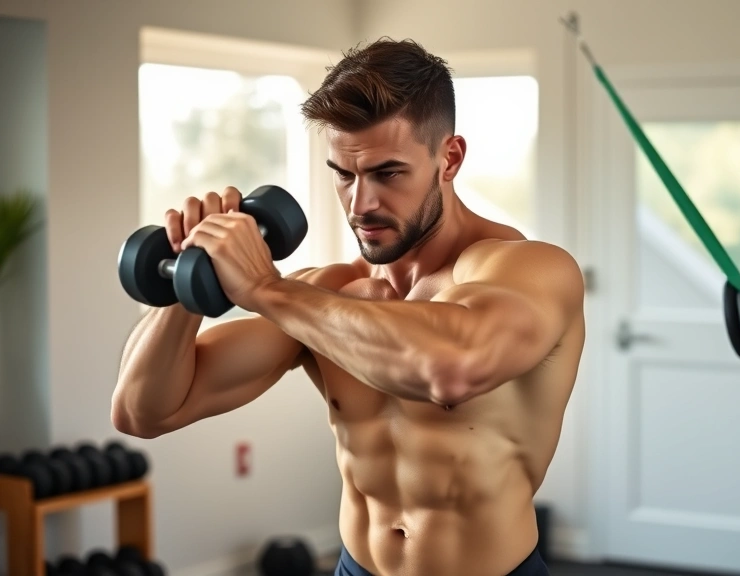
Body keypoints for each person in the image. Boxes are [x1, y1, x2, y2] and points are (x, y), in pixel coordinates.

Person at [113, 38, 585, 576]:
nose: (361, 205)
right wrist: (191, 268)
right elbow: (143, 411)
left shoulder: (532, 271)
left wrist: (267, 288)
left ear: (448, 158)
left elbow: (451, 366)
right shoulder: (327, 296)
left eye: (387, 173)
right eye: (344, 174)